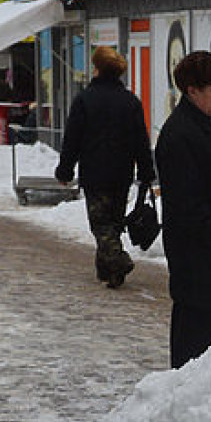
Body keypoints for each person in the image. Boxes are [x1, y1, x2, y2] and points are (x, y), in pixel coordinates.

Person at [155, 50, 211, 368]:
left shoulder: (209, 129)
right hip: (198, 266)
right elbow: (186, 207)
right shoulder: (181, 136)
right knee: (196, 357)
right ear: (192, 90)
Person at [54, 46, 156, 289]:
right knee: (113, 221)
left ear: (97, 69)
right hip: (122, 174)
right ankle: (108, 272)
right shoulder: (130, 102)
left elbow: (73, 139)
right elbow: (141, 139)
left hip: (95, 173)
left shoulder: (85, 100)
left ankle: (118, 260)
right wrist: (146, 170)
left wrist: (65, 169)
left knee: (101, 224)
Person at [164, 19, 186, 122]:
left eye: (180, 61)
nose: (176, 68)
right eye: (173, 63)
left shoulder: (194, 102)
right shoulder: (168, 103)